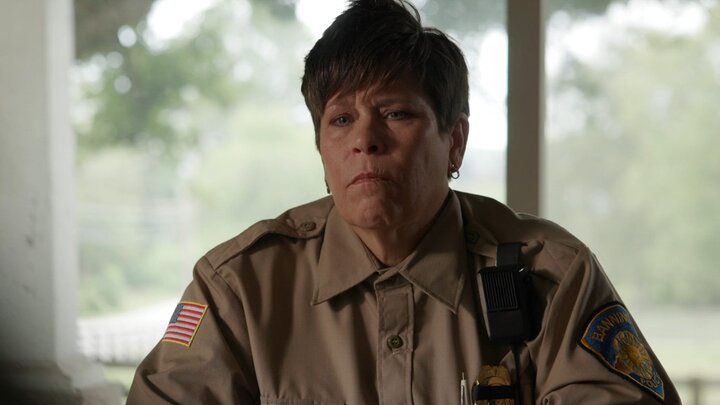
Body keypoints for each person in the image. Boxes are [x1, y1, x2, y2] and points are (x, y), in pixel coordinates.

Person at [128, 0, 680, 404]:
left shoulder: (554, 277)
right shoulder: (241, 289)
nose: (364, 140)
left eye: (396, 113)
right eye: (341, 119)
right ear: (321, 148)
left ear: (454, 141)